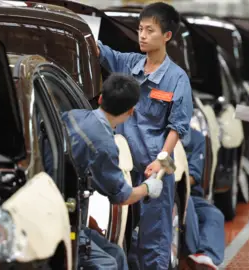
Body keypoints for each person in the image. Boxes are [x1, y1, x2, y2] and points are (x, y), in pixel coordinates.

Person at [96, 2, 193, 269]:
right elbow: (101, 53)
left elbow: (178, 126)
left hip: (154, 168)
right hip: (123, 166)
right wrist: (82, 29)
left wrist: (162, 160)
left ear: (167, 36)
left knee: (154, 239)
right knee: (122, 236)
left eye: (150, 30)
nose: (142, 35)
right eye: (140, 29)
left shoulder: (177, 78)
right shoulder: (129, 63)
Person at [62, 74, 165, 270]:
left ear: (100, 98)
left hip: (68, 212)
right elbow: (122, 197)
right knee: (108, 264)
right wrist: (148, 187)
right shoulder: (104, 145)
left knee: (116, 253)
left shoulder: (73, 115)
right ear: (131, 111)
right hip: (64, 222)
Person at [182, 129, 225, 270]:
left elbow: (194, 175)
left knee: (214, 215)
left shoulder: (195, 137)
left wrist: (180, 185)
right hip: (160, 193)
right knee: (188, 208)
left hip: (188, 192)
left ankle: (206, 257)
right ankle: (191, 252)